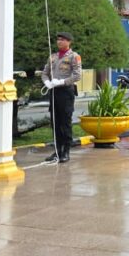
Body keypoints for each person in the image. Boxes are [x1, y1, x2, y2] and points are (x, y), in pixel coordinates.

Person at [42, 32, 82, 163]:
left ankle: (66, 151)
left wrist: (61, 81)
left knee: (65, 122)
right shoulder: (52, 56)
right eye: (58, 39)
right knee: (55, 122)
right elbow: (45, 73)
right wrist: (47, 82)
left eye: (63, 40)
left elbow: (77, 75)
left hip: (66, 92)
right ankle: (57, 150)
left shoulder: (74, 56)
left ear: (69, 42)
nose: (59, 42)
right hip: (54, 91)